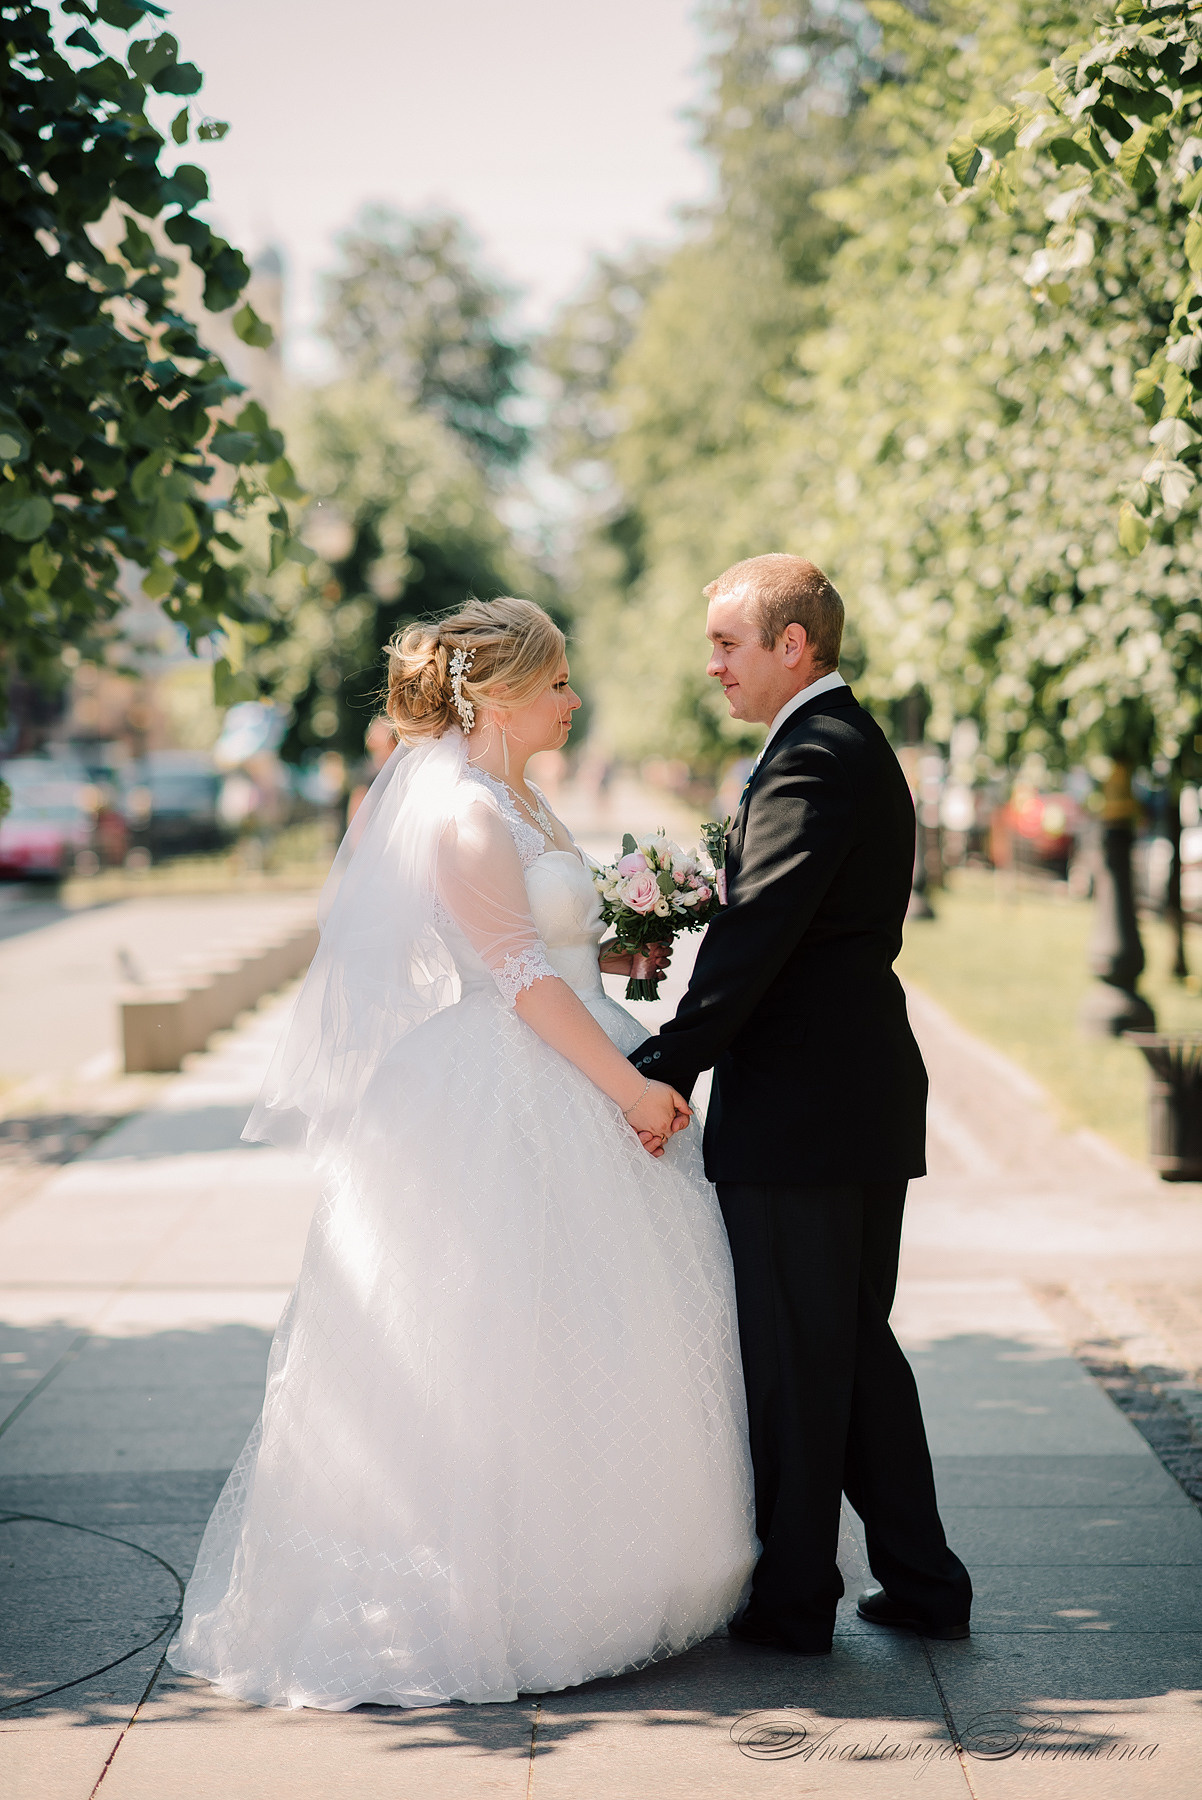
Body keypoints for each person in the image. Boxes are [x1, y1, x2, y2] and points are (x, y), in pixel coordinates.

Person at [169, 597, 756, 1711]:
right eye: (557, 685)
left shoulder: (522, 801)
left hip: (571, 1047)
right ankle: (506, 1595)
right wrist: (629, 1084)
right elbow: (519, 979)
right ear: (497, 696)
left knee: (599, 1323)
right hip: (509, 1081)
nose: (573, 700)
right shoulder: (467, 819)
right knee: (497, 1335)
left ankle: (630, 1561)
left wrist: (629, 938)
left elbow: (559, 958)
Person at [629, 554, 972, 1656]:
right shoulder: (831, 746)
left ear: (792, 645)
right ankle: (923, 1580)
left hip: (806, 1114)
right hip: (847, 1101)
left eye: (728, 643)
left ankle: (790, 1603)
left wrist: (665, 1066)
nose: (713, 666)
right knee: (849, 1348)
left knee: (795, 1359)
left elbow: (755, 944)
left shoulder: (813, 758)